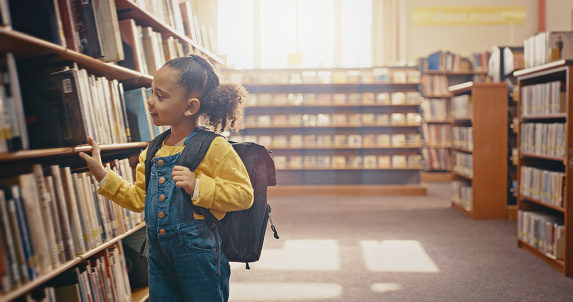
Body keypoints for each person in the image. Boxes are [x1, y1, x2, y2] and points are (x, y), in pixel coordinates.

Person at [79, 54, 254, 302]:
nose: (150, 101)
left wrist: (199, 186)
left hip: (199, 254)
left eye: (160, 96)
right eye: (151, 92)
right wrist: (103, 176)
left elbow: (244, 195)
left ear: (190, 107)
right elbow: (139, 199)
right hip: (158, 255)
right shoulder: (152, 150)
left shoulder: (215, 147)